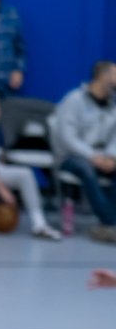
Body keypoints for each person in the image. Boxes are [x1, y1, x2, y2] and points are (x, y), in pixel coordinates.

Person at [0, 92, 60, 239]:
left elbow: (0, 160)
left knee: (25, 173)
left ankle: (39, 224)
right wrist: (2, 190)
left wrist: (6, 180)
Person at [54, 61, 116, 246]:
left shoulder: (113, 104)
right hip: (72, 157)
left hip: (103, 156)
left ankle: (109, 224)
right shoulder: (74, 100)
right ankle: (110, 222)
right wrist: (92, 156)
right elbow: (67, 137)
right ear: (103, 76)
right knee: (86, 169)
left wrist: (111, 156)